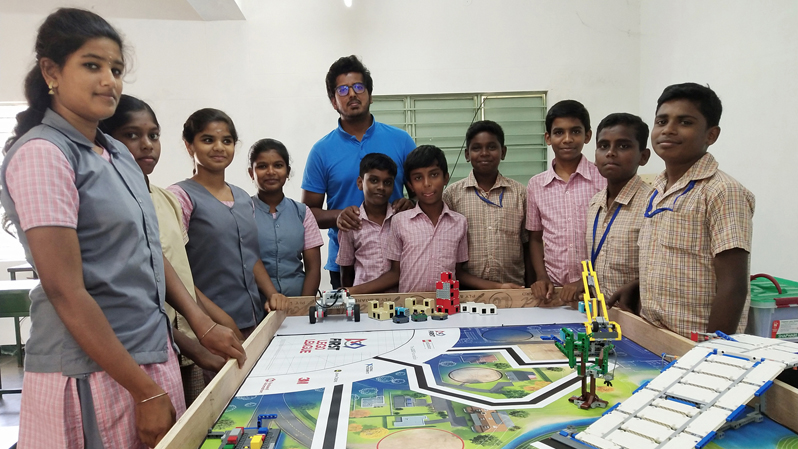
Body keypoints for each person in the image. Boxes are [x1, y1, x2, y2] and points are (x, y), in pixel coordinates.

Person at [0, 9, 243, 447]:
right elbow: (65, 290)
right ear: (51, 72)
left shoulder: (115, 153)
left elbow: (149, 253)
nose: (109, 81)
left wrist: (201, 323)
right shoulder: (43, 154)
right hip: (93, 368)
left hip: (150, 355)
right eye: (92, 65)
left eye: (116, 69)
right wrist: (143, 391)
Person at [100, 94, 245, 405]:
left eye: (153, 135)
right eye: (132, 135)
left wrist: (215, 321)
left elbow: (180, 276)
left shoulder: (166, 201)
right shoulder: (111, 205)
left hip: (191, 341)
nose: (147, 145)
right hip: (149, 347)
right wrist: (196, 346)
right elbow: (140, 296)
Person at [616, 83, 754, 338]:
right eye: (662, 121)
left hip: (695, 344)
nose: (668, 130)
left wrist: (711, 351)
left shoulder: (722, 191)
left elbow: (734, 287)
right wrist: (638, 285)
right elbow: (675, 262)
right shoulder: (657, 189)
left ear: (711, 135)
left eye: (685, 122)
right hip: (654, 336)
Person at [168, 109, 288, 337]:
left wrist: (272, 294)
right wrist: (219, 319)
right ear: (189, 146)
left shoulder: (243, 198)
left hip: (254, 319)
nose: (219, 147)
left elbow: (250, 257)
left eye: (226, 141)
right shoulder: (179, 197)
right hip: (208, 327)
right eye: (207, 140)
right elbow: (174, 270)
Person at [301, 55, 416, 289]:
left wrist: (411, 204)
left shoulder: (401, 140)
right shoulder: (321, 151)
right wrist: (340, 216)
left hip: (400, 260)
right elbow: (307, 213)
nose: (352, 94)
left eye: (358, 87)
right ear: (334, 101)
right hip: (345, 265)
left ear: (370, 95)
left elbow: (423, 193)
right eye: (342, 90)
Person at [378, 145, 491, 293]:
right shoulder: (399, 221)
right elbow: (395, 273)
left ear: (445, 178)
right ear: (410, 185)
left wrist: (500, 287)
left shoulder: (459, 223)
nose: (427, 183)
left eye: (434, 175)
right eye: (418, 178)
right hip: (410, 304)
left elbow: (458, 273)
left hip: (446, 304)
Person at [526, 100, 606, 305]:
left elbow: (611, 240)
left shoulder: (603, 179)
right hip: (553, 292)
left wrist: (587, 280)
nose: (567, 139)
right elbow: (535, 238)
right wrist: (541, 276)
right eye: (559, 132)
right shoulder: (536, 185)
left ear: (587, 135)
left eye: (575, 132)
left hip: (597, 289)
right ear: (548, 138)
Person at [443, 120, 528, 289]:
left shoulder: (520, 193)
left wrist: (531, 287)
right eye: (476, 148)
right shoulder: (452, 195)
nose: (484, 153)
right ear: (467, 154)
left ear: (503, 152)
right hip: (467, 293)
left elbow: (528, 245)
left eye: (491, 147)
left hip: (514, 290)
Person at [584, 113, 652, 305]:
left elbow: (664, 270)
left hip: (637, 316)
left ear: (643, 156)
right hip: (600, 313)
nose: (611, 153)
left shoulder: (653, 205)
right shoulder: (595, 203)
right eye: (603, 146)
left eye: (623, 146)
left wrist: (637, 287)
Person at [248, 138, 323, 297]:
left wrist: (303, 305)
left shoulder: (302, 212)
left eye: (278, 165)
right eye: (262, 166)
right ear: (251, 173)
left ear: (288, 171)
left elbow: (313, 269)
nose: (271, 172)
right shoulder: (243, 211)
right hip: (254, 303)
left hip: (298, 299)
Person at [336, 153, 399, 294]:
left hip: (397, 299)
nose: (381, 187)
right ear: (360, 183)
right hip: (362, 300)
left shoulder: (399, 219)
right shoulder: (351, 222)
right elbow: (346, 270)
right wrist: (350, 295)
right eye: (374, 180)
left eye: (387, 182)